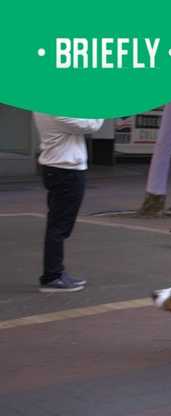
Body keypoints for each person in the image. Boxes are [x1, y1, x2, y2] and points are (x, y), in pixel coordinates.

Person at [32, 114, 103, 293]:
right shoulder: (55, 109)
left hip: (60, 169)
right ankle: (52, 276)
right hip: (65, 170)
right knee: (59, 226)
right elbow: (90, 126)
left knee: (58, 224)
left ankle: (56, 273)